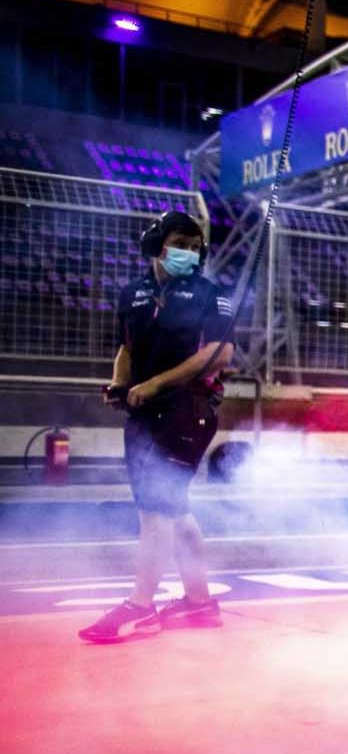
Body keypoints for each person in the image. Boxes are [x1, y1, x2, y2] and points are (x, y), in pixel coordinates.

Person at [79, 212, 233, 643]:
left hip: (188, 409)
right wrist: (121, 383)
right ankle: (200, 604)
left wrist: (156, 384)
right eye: (180, 241)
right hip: (144, 413)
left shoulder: (209, 295)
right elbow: (126, 349)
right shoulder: (133, 294)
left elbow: (220, 355)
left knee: (155, 511)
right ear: (156, 245)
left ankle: (140, 608)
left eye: (195, 244)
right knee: (175, 509)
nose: (189, 250)